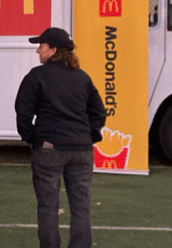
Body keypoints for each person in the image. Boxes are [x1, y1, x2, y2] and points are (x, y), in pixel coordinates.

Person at [15, 27, 106, 248]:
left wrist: (35, 138)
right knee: (81, 207)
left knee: (48, 207)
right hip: (81, 149)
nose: (38, 50)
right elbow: (99, 113)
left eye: (41, 46)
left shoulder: (36, 76)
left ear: (53, 49)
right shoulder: (82, 77)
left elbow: (23, 112)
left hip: (49, 148)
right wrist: (88, 135)